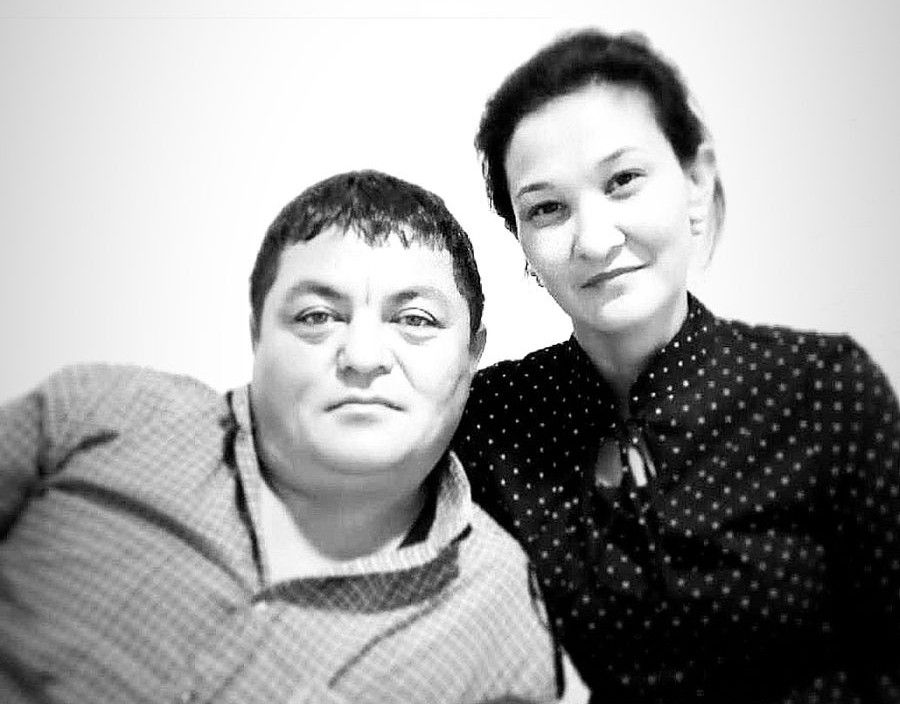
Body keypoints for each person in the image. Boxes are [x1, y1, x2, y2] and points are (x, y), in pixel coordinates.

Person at [452, 28, 900, 704]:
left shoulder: (822, 389)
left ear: (695, 182)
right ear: (523, 244)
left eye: (623, 181)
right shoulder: (492, 418)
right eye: (547, 208)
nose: (593, 240)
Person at [0, 170, 559, 704]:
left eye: (414, 320)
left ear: (472, 354)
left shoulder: (501, 619)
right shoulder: (96, 414)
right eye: (317, 316)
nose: (363, 357)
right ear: (257, 333)